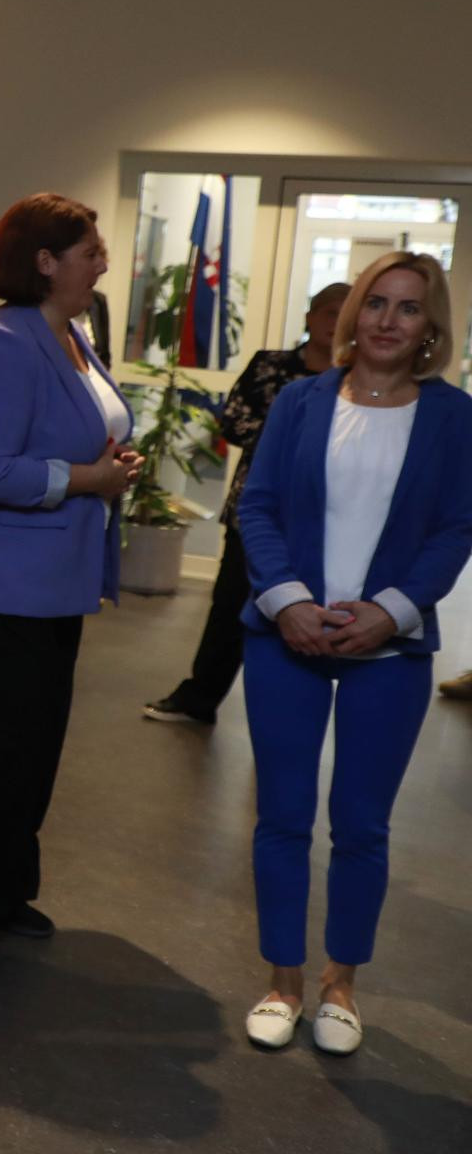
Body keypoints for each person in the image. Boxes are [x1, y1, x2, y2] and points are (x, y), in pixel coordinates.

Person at [235, 252, 472, 1056]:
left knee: (362, 825)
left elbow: (456, 528)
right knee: (282, 817)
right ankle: (283, 982)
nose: (387, 321)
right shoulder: (300, 401)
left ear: (430, 327)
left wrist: (391, 612)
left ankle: (341, 984)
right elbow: (259, 506)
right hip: (286, 639)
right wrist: (288, 602)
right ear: (353, 313)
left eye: (408, 308)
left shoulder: (454, 417)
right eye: (376, 303)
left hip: (389, 651)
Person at [0, 194, 139, 973]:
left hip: (56, 584)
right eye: (90, 251)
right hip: (4, 591)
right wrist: (86, 478)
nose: (102, 263)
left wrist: (109, 466)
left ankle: (1, 890)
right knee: (0, 756)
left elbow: (84, 434)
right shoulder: (5, 345)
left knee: (36, 754)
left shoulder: (70, 336)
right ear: (45, 261)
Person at [144, 282, 346, 726]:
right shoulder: (270, 365)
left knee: (310, 611)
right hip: (256, 512)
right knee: (230, 605)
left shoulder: (357, 380)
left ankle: (291, 715)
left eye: (344, 314)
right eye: (329, 312)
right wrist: (301, 439)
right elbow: (234, 422)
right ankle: (200, 698)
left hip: (323, 520)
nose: (336, 323)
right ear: (310, 317)